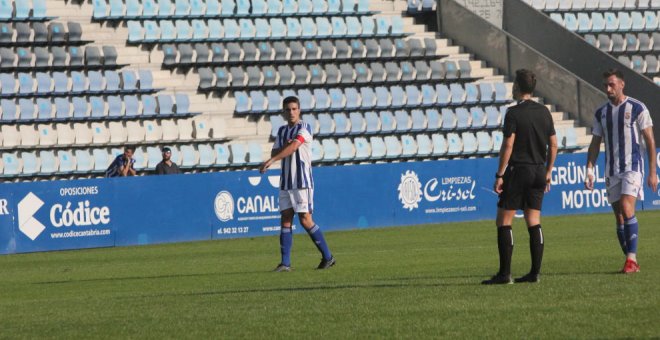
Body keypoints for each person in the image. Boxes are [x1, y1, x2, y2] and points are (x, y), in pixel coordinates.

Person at [482, 69, 558, 285]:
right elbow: (553, 144)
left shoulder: (513, 113)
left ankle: (505, 274)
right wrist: (549, 170)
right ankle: (535, 273)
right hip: (539, 171)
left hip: (519, 171)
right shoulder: (544, 111)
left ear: (517, 86)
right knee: (533, 221)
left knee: (503, 221)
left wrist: (500, 174)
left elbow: (508, 144)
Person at [584, 69, 657, 274]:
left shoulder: (637, 108)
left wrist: (652, 171)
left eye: (612, 84)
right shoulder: (601, 113)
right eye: (606, 85)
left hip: (632, 167)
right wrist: (589, 169)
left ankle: (631, 260)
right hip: (611, 170)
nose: (608, 89)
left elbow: (650, 141)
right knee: (619, 217)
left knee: (627, 207)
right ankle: (630, 259)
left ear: (622, 84)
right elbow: (595, 143)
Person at [259, 96, 335, 272]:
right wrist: (278, 151)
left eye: (294, 109)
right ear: (283, 112)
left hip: (301, 181)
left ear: (299, 110)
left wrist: (271, 160)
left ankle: (328, 257)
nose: (291, 112)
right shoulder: (282, 130)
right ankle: (285, 263)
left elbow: (294, 147)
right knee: (285, 218)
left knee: (305, 220)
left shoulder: (304, 127)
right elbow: (276, 149)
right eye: (288, 109)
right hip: (286, 181)